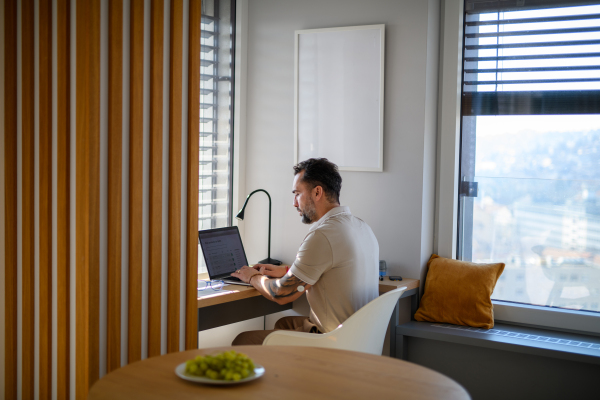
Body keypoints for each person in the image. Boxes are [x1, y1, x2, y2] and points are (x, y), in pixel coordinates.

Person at [231, 158, 379, 345]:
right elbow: (331, 269)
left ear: (317, 192)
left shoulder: (323, 235)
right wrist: (287, 272)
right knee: (285, 323)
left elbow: (283, 294)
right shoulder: (361, 226)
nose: (294, 203)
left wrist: (252, 277)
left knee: (243, 340)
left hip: (334, 341)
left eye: (297, 194)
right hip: (361, 338)